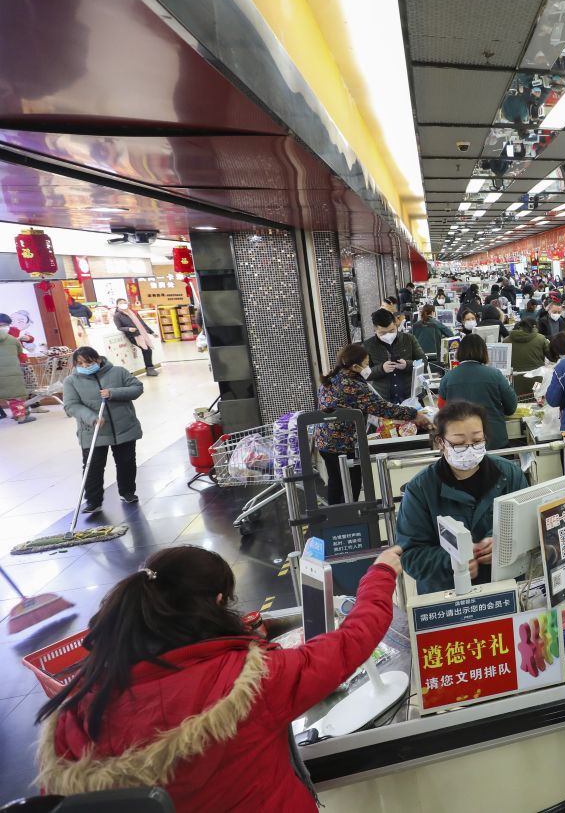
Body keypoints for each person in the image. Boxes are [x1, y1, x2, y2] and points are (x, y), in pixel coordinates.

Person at [35, 543, 403, 810]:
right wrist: (381, 573)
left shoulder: (77, 711)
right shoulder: (249, 682)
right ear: (214, 602)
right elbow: (351, 641)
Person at [397, 400, 529, 593]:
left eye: (477, 441)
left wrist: (504, 543)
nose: (469, 448)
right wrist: (451, 561)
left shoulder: (509, 475)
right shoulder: (421, 489)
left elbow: (530, 526)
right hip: (448, 596)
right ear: (441, 442)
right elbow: (410, 556)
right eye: (459, 443)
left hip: (505, 588)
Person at [315, 344, 430, 503]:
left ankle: (335, 520)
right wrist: (413, 414)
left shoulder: (331, 379)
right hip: (343, 445)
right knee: (350, 487)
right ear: (355, 366)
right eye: (366, 363)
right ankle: (349, 521)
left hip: (325, 442)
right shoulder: (352, 385)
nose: (368, 367)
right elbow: (382, 408)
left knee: (335, 483)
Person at [63, 347, 144, 511]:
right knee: (92, 466)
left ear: (98, 359)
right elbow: (71, 406)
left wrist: (113, 393)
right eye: (80, 363)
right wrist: (91, 418)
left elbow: (137, 388)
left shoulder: (118, 372)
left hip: (124, 427)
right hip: (92, 431)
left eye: (89, 361)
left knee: (126, 462)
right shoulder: (71, 382)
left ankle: (127, 492)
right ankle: (93, 501)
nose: (85, 366)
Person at [438, 335, 519, 449]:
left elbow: (442, 408)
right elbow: (511, 407)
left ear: (459, 352)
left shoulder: (447, 378)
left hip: (461, 445)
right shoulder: (495, 375)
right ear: (484, 352)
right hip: (494, 441)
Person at [364, 308, 424, 403]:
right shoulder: (368, 346)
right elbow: (364, 373)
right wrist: (381, 369)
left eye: (392, 331)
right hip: (384, 399)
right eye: (383, 333)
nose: (388, 335)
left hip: (411, 396)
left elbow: (423, 362)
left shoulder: (409, 339)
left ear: (396, 324)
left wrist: (408, 365)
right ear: (375, 330)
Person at [507, 313, 550, 399]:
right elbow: (552, 356)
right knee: (536, 403)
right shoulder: (541, 339)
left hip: (515, 384)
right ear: (534, 327)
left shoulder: (506, 340)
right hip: (536, 382)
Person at [112, 298, 159, 377]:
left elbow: (142, 323)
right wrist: (129, 329)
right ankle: (149, 369)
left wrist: (152, 332)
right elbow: (119, 327)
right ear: (117, 305)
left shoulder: (133, 312)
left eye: (124, 302)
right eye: (121, 303)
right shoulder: (117, 315)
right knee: (147, 350)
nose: (123, 304)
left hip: (141, 334)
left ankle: (150, 369)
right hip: (133, 336)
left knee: (147, 350)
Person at [0, 327, 31, 424]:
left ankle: (17, 414)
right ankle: (20, 416)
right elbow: (20, 353)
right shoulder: (12, 339)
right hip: (12, 371)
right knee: (14, 395)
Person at [411, 303, 454, 371]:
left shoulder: (416, 324)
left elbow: (408, 337)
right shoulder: (437, 323)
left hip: (419, 361)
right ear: (433, 312)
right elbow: (451, 335)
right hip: (435, 360)